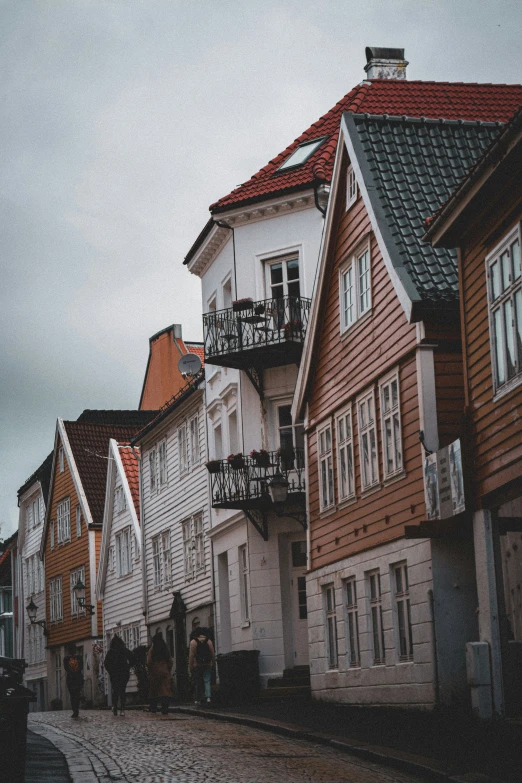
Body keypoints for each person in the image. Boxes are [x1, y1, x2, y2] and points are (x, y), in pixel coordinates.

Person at [104, 634, 134, 716]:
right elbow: (132, 658)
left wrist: (110, 671)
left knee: (115, 691)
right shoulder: (124, 650)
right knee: (122, 691)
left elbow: (106, 663)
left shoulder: (111, 652)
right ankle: (122, 708)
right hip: (124, 673)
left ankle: (114, 706)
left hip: (114, 674)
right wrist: (128, 667)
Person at [147, 632, 173, 715]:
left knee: (154, 690)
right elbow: (170, 661)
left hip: (154, 671)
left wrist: (150, 669)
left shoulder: (152, 649)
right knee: (164, 690)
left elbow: (149, 661)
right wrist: (168, 669)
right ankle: (164, 708)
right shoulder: (165, 649)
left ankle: (153, 708)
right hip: (164, 670)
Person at [189, 627, 214, 706]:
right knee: (207, 680)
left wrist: (190, 666)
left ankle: (197, 698)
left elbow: (191, 655)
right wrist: (213, 663)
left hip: (197, 664)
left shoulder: (193, 642)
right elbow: (212, 653)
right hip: (207, 664)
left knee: (198, 682)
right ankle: (208, 698)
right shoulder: (209, 641)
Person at [63, 643, 84, 718]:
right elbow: (81, 667)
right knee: (76, 695)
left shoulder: (67, 659)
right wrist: (76, 673)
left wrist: (72, 673)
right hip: (76, 678)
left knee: (74, 695)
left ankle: (75, 710)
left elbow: (67, 668)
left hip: (72, 679)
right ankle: (76, 709)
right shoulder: (78, 657)